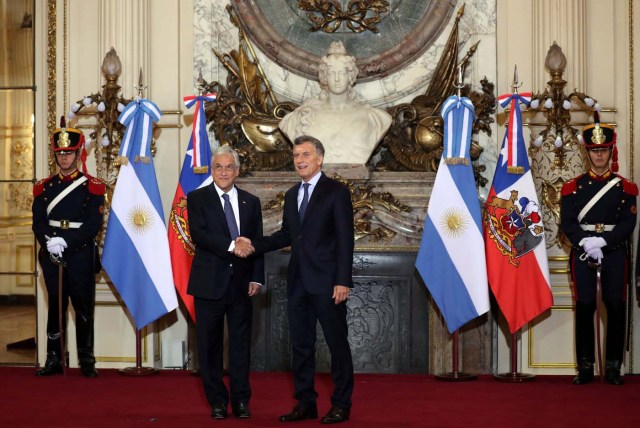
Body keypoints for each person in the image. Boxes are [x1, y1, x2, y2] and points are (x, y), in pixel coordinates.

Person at [240, 135, 355, 424]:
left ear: (320, 158)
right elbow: (286, 235)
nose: (300, 160)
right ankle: (306, 403)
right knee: (301, 346)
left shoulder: (336, 191)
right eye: (295, 155)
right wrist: (253, 244)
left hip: (329, 283)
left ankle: (341, 404)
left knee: (336, 343)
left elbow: (345, 240)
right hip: (298, 282)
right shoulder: (292, 195)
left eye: (305, 154)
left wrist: (343, 280)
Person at [186, 145, 264, 419]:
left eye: (228, 167)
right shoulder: (197, 198)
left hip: (242, 284)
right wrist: (233, 245)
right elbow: (199, 234)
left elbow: (257, 241)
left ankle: (241, 401)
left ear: (237, 171)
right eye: (218, 166)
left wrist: (257, 275)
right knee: (209, 346)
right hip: (209, 283)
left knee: (241, 346)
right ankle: (217, 402)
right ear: (211, 170)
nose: (223, 172)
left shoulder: (251, 202)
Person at [560, 113, 637, 385]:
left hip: (614, 251)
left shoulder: (626, 188)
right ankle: (585, 366)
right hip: (583, 252)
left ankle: (614, 366)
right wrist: (586, 242)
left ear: (610, 151)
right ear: (587, 152)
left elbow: (629, 222)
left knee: (615, 306)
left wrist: (604, 241)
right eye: (594, 151)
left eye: (603, 150)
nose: (599, 156)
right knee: (585, 306)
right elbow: (568, 224)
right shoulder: (572, 188)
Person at [32, 119, 105, 378]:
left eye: (69, 153)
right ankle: (54, 359)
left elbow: (93, 225)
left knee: (83, 309)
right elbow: (38, 222)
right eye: (60, 153)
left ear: (79, 153)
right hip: (52, 254)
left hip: (80, 254)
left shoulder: (92, 186)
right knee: (56, 306)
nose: (64, 158)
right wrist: (49, 241)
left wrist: (67, 242)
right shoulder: (44, 187)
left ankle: (87, 360)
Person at [279, 41, 392, 165]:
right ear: (324, 77)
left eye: (342, 73)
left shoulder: (376, 118)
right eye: (332, 73)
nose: (337, 79)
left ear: (351, 76)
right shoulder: (302, 116)